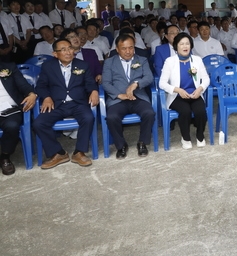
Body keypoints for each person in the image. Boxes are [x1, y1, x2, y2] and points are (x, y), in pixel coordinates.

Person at [33, 39, 99, 169]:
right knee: (38, 123)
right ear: (55, 54)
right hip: (56, 104)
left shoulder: (82, 65)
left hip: (78, 103)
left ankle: (79, 152)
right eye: (63, 50)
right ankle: (59, 153)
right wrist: (46, 97)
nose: (68, 52)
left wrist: (94, 90)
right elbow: (40, 86)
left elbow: (90, 83)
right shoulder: (48, 66)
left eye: (70, 48)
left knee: (88, 117)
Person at [102, 35, 155, 159]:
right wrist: (119, 95)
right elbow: (106, 83)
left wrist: (136, 84)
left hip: (138, 97)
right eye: (124, 48)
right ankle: (121, 145)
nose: (128, 51)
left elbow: (149, 77)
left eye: (131, 48)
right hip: (118, 99)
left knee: (149, 113)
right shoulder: (109, 62)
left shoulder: (142, 60)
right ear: (117, 49)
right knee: (111, 117)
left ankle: (142, 142)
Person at [159, 33, 209, 149]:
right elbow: (162, 83)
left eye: (187, 43)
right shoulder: (170, 61)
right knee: (185, 111)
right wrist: (177, 90)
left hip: (195, 94)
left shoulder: (197, 60)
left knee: (200, 110)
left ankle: (200, 135)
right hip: (177, 96)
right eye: (181, 44)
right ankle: (185, 138)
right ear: (176, 46)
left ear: (191, 46)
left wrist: (200, 89)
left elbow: (206, 79)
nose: (185, 46)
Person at [0, 62, 38, 175]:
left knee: (12, 126)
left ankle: (5, 156)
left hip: (10, 109)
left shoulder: (8, 67)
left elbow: (23, 85)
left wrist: (32, 94)